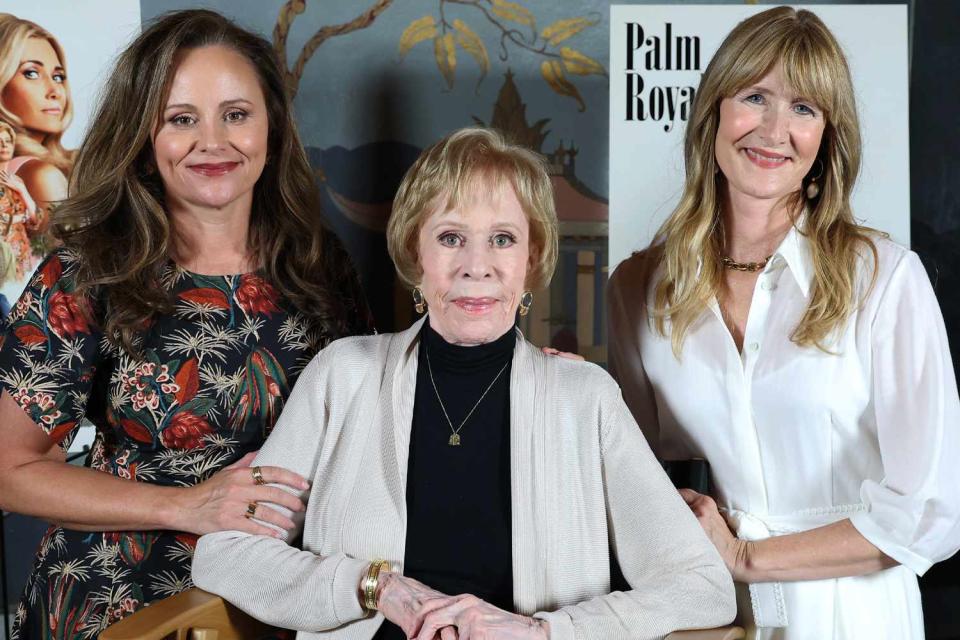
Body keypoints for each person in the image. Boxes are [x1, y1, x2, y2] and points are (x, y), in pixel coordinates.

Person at [192, 127, 736, 640]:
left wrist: (542, 632)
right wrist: (375, 586)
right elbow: (226, 554)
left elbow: (703, 588)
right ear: (415, 255)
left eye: (503, 239)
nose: (477, 266)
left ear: (533, 259)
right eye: (451, 237)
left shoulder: (584, 398)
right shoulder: (343, 374)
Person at [0, 10, 371, 637]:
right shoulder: (88, 272)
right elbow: (9, 470)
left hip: (284, 597)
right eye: (181, 119)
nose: (213, 141)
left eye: (236, 114)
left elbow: (381, 404)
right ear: (145, 137)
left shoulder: (316, 262)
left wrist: (514, 366)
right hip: (125, 603)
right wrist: (188, 505)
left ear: (272, 129)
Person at [607, 7, 960, 639]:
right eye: (755, 97)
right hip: (712, 613)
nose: (775, 130)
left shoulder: (884, 278)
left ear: (827, 138)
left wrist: (747, 558)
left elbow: (929, 513)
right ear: (714, 110)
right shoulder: (639, 287)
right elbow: (633, 478)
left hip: (856, 612)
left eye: (805, 109)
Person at [0, 13, 73, 229]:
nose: (55, 92)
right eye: (32, 73)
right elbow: (67, 260)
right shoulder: (41, 175)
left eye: (58, 77)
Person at [0, 120, 40, 282]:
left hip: (21, 255)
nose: (4, 145)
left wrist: (22, 191)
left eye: (8, 141)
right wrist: (19, 218)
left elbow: (35, 219)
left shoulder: (16, 180)